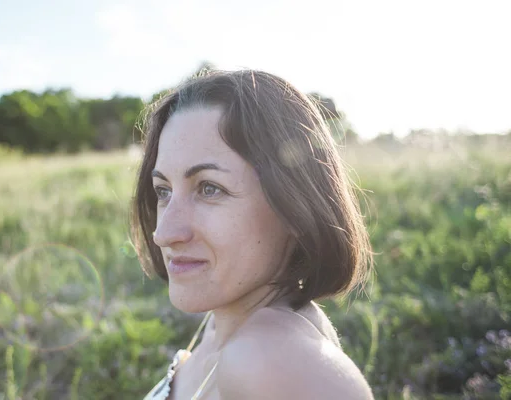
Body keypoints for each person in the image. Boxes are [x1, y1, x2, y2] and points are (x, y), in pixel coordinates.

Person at [132, 69, 374, 399]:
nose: (164, 233)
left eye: (209, 188)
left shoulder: (265, 360)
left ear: (294, 205)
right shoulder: (223, 322)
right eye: (163, 191)